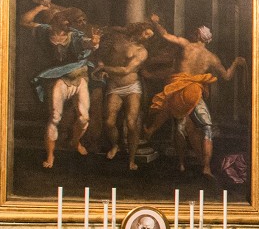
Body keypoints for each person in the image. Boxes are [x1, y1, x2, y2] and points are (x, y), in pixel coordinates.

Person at [143, 16, 245, 178]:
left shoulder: (185, 45)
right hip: (194, 92)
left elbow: (165, 35)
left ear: (197, 35)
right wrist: (235, 63)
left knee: (180, 126)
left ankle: (182, 163)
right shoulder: (212, 57)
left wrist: (155, 22)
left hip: (178, 90)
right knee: (207, 128)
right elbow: (226, 76)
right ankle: (205, 167)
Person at [21, 0, 95, 169]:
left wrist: (94, 43)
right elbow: (24, 21)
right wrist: (40, 7)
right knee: (55, 117)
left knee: (84, 118)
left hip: (79, 78)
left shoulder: (75, 34)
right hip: (59, 79)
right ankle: (50, 155)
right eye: (64, 19)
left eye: (68, 19)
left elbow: (87, 43)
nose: (68, 22)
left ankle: (75, 142)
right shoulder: (44, 31)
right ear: (54, 20)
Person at [96, 22, 154, 170]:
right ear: (140, 30)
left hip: (132, 87)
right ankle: (115, 145)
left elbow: (126, 70)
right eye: (146, 33)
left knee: (131, 123)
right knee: (109, 122)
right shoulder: (118, 39)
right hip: (114, 86)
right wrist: (101, 62)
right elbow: (102, 51)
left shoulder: (142, 51)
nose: (147, 37)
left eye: (150, 36)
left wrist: (104, 68)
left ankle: (132, 160)